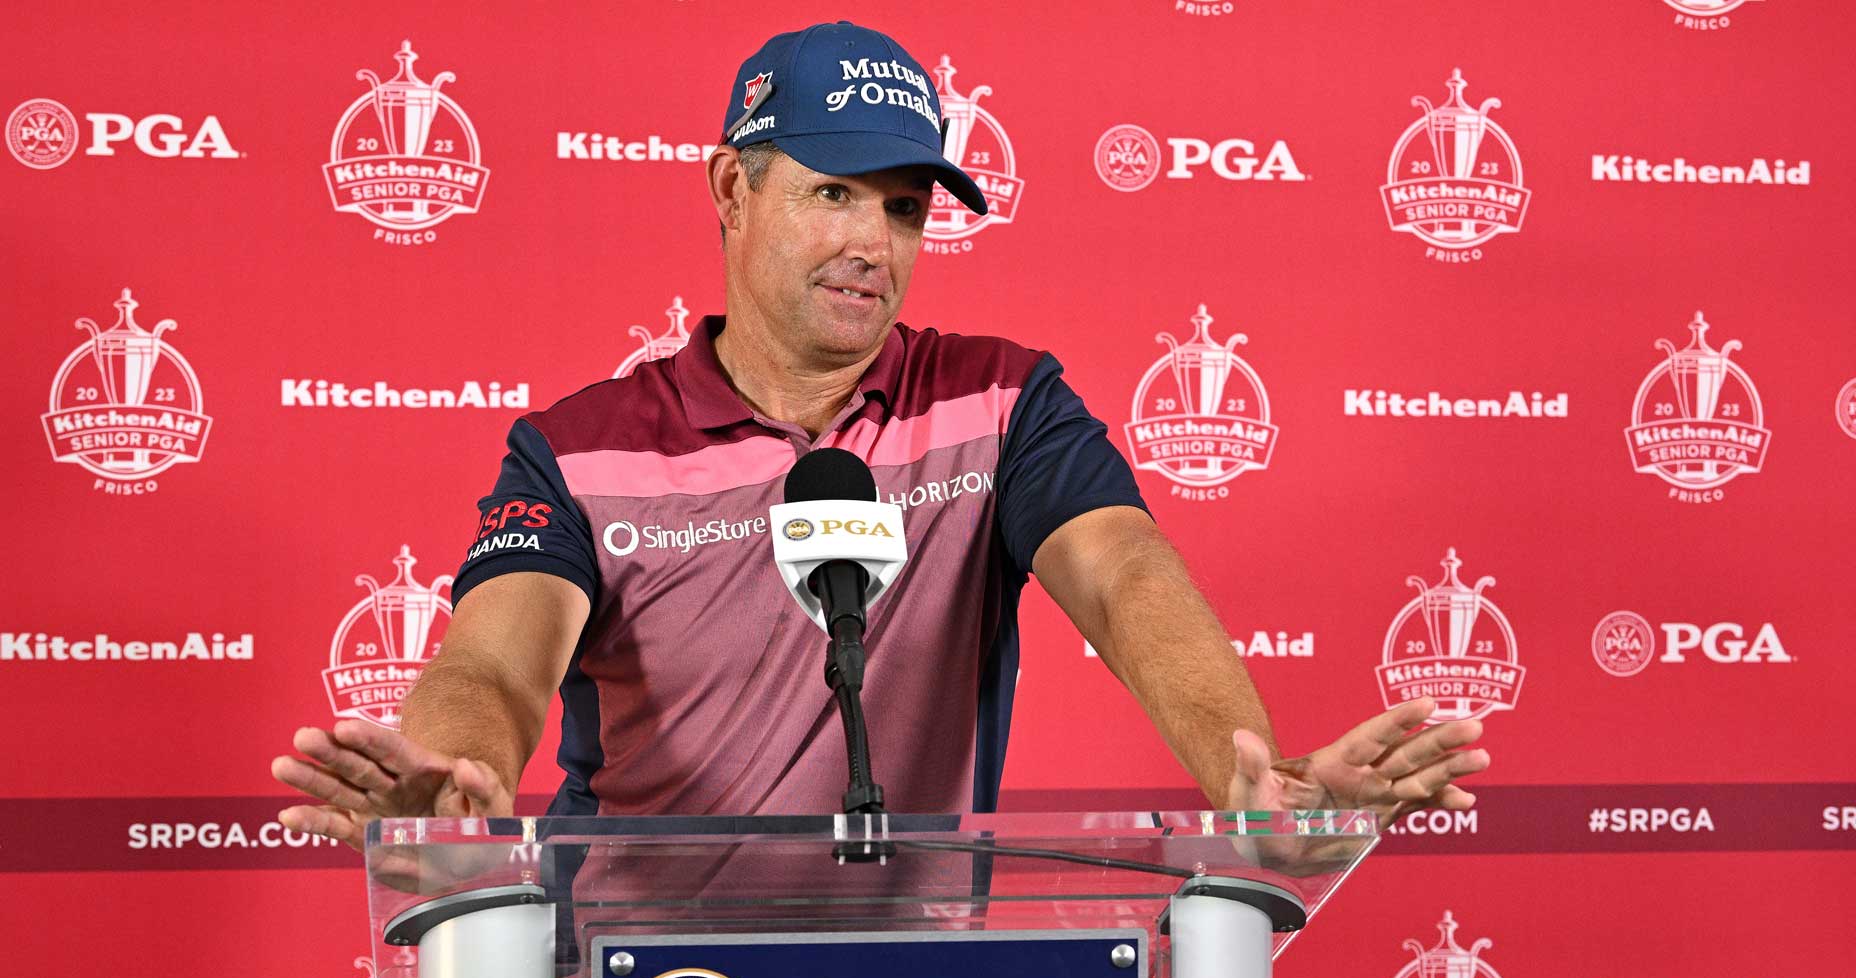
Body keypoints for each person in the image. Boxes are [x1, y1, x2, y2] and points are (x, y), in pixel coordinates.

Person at [272, 21, 1487, 853]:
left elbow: (1124, 577)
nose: (873, 242)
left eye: (903, 208)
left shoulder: (1003, 403)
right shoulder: (577, 446)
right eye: (832, 193)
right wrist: (449, 780)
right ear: (730, 191)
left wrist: (1247, 775)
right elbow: (496, 662)